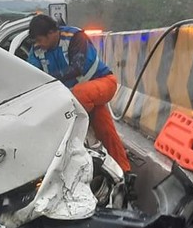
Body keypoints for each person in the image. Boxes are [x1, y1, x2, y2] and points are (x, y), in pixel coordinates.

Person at [26, 14, 132, 175]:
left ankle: (84, 136)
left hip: (103, 83)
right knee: (106, 131)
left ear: (51, 33)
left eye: (40, 40)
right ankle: (125, 172)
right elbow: (31, 74)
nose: (39, 44)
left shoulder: (75, 37)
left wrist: (50, 81)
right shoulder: (37, 50)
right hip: (79, 97)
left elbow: (77, 67)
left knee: (76, 97)